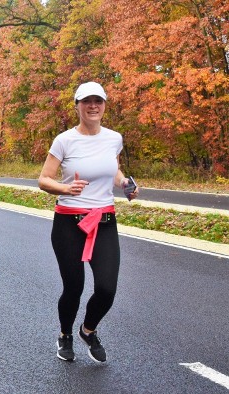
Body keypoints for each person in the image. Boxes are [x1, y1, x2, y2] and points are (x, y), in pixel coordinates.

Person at [38, 81, 139, 363]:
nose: (93, 106)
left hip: (104, 221)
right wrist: (64, 189)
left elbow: (115, 170)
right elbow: (43, 179)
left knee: (107, 288)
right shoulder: (64, 140)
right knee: (74, 286)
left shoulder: (114, 138)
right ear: (77, 106)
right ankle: (65, 335)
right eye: (87, 101)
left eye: (98, 101)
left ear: (105, 105)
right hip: (69, 223)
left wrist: (125, 184)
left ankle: (88, 330)